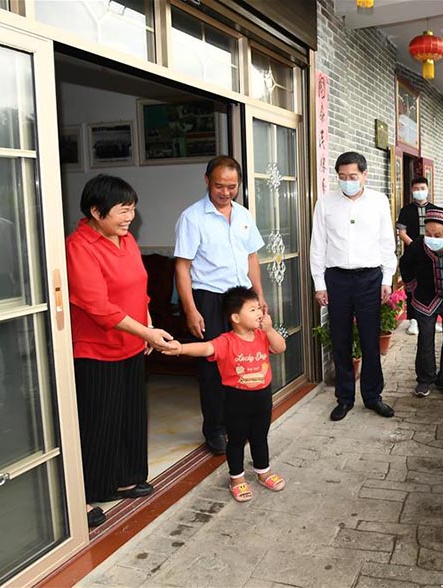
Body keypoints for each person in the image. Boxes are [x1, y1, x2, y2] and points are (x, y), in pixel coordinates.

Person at [66, 175, 175, 528]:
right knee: (99, 421)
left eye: (132, 209)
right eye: (122, 210)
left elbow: (138, 286)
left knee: (129, 414)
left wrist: (144, 325)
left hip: (130, 343)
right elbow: (98, 306)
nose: (130, 217)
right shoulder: (79, 246)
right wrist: (147, 332)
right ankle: (93, 489)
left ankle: (125, 477)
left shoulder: (124, 240)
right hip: (95, 349)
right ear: (96, 212)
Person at [174, 156, 267, 455]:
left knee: (244, 361)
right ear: (206, 181)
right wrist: (190, 309)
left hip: (241, 297)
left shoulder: (243, 215)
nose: (226, 192)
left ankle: (238, 424)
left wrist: (259, 297)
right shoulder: (192, 217)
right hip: (209, 298)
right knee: (214, 365)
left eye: (232, 186)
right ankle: (214, 429)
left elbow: (252, 258)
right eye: (219, 186)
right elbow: (182, 267)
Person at [163, 287, 286, 502]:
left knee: (260, 436)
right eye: (252, 309)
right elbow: (205, 349)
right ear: (236, 317)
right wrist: (180, 348)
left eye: (259, 308)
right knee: (236, 440)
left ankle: (262, 472)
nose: (259, 313)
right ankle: (236, 479)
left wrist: (269, 330)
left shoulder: (262, 335)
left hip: (262, 397)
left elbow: (280, 347)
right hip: (236, 399)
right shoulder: (226, 341)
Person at [310, 151, 397, 421]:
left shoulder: (379, 201)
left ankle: (373, 397)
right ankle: (344, 398)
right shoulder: (325, 203)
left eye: (353, 176)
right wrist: (319, 283)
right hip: (337, 278)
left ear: (364, 175)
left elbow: (386, 242)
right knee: (341, 339)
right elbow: (318, 245)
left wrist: (386, 278)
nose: (347, 181)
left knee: (371, 339)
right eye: (342, 177)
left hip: (370, 278)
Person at [399, 207, 443, 398]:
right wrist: (412, 287)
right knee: (425, 339)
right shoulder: (418, 245)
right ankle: (425, 379)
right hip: (426, 299)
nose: (432, 237)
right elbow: (405, 264)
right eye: (429, 233)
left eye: (438, 234)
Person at [396, 176, 435, 336]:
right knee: (412, 286)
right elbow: (401, 233)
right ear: (412, 191)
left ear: (427, 189)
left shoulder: (434, 209)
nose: (419, 192)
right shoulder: (406, 210)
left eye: (422, 188)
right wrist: (416, 246)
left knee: (431, 284)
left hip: (430, 254)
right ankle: (413, 320)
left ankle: (430, 317)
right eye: (416, 189)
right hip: (412, 255)